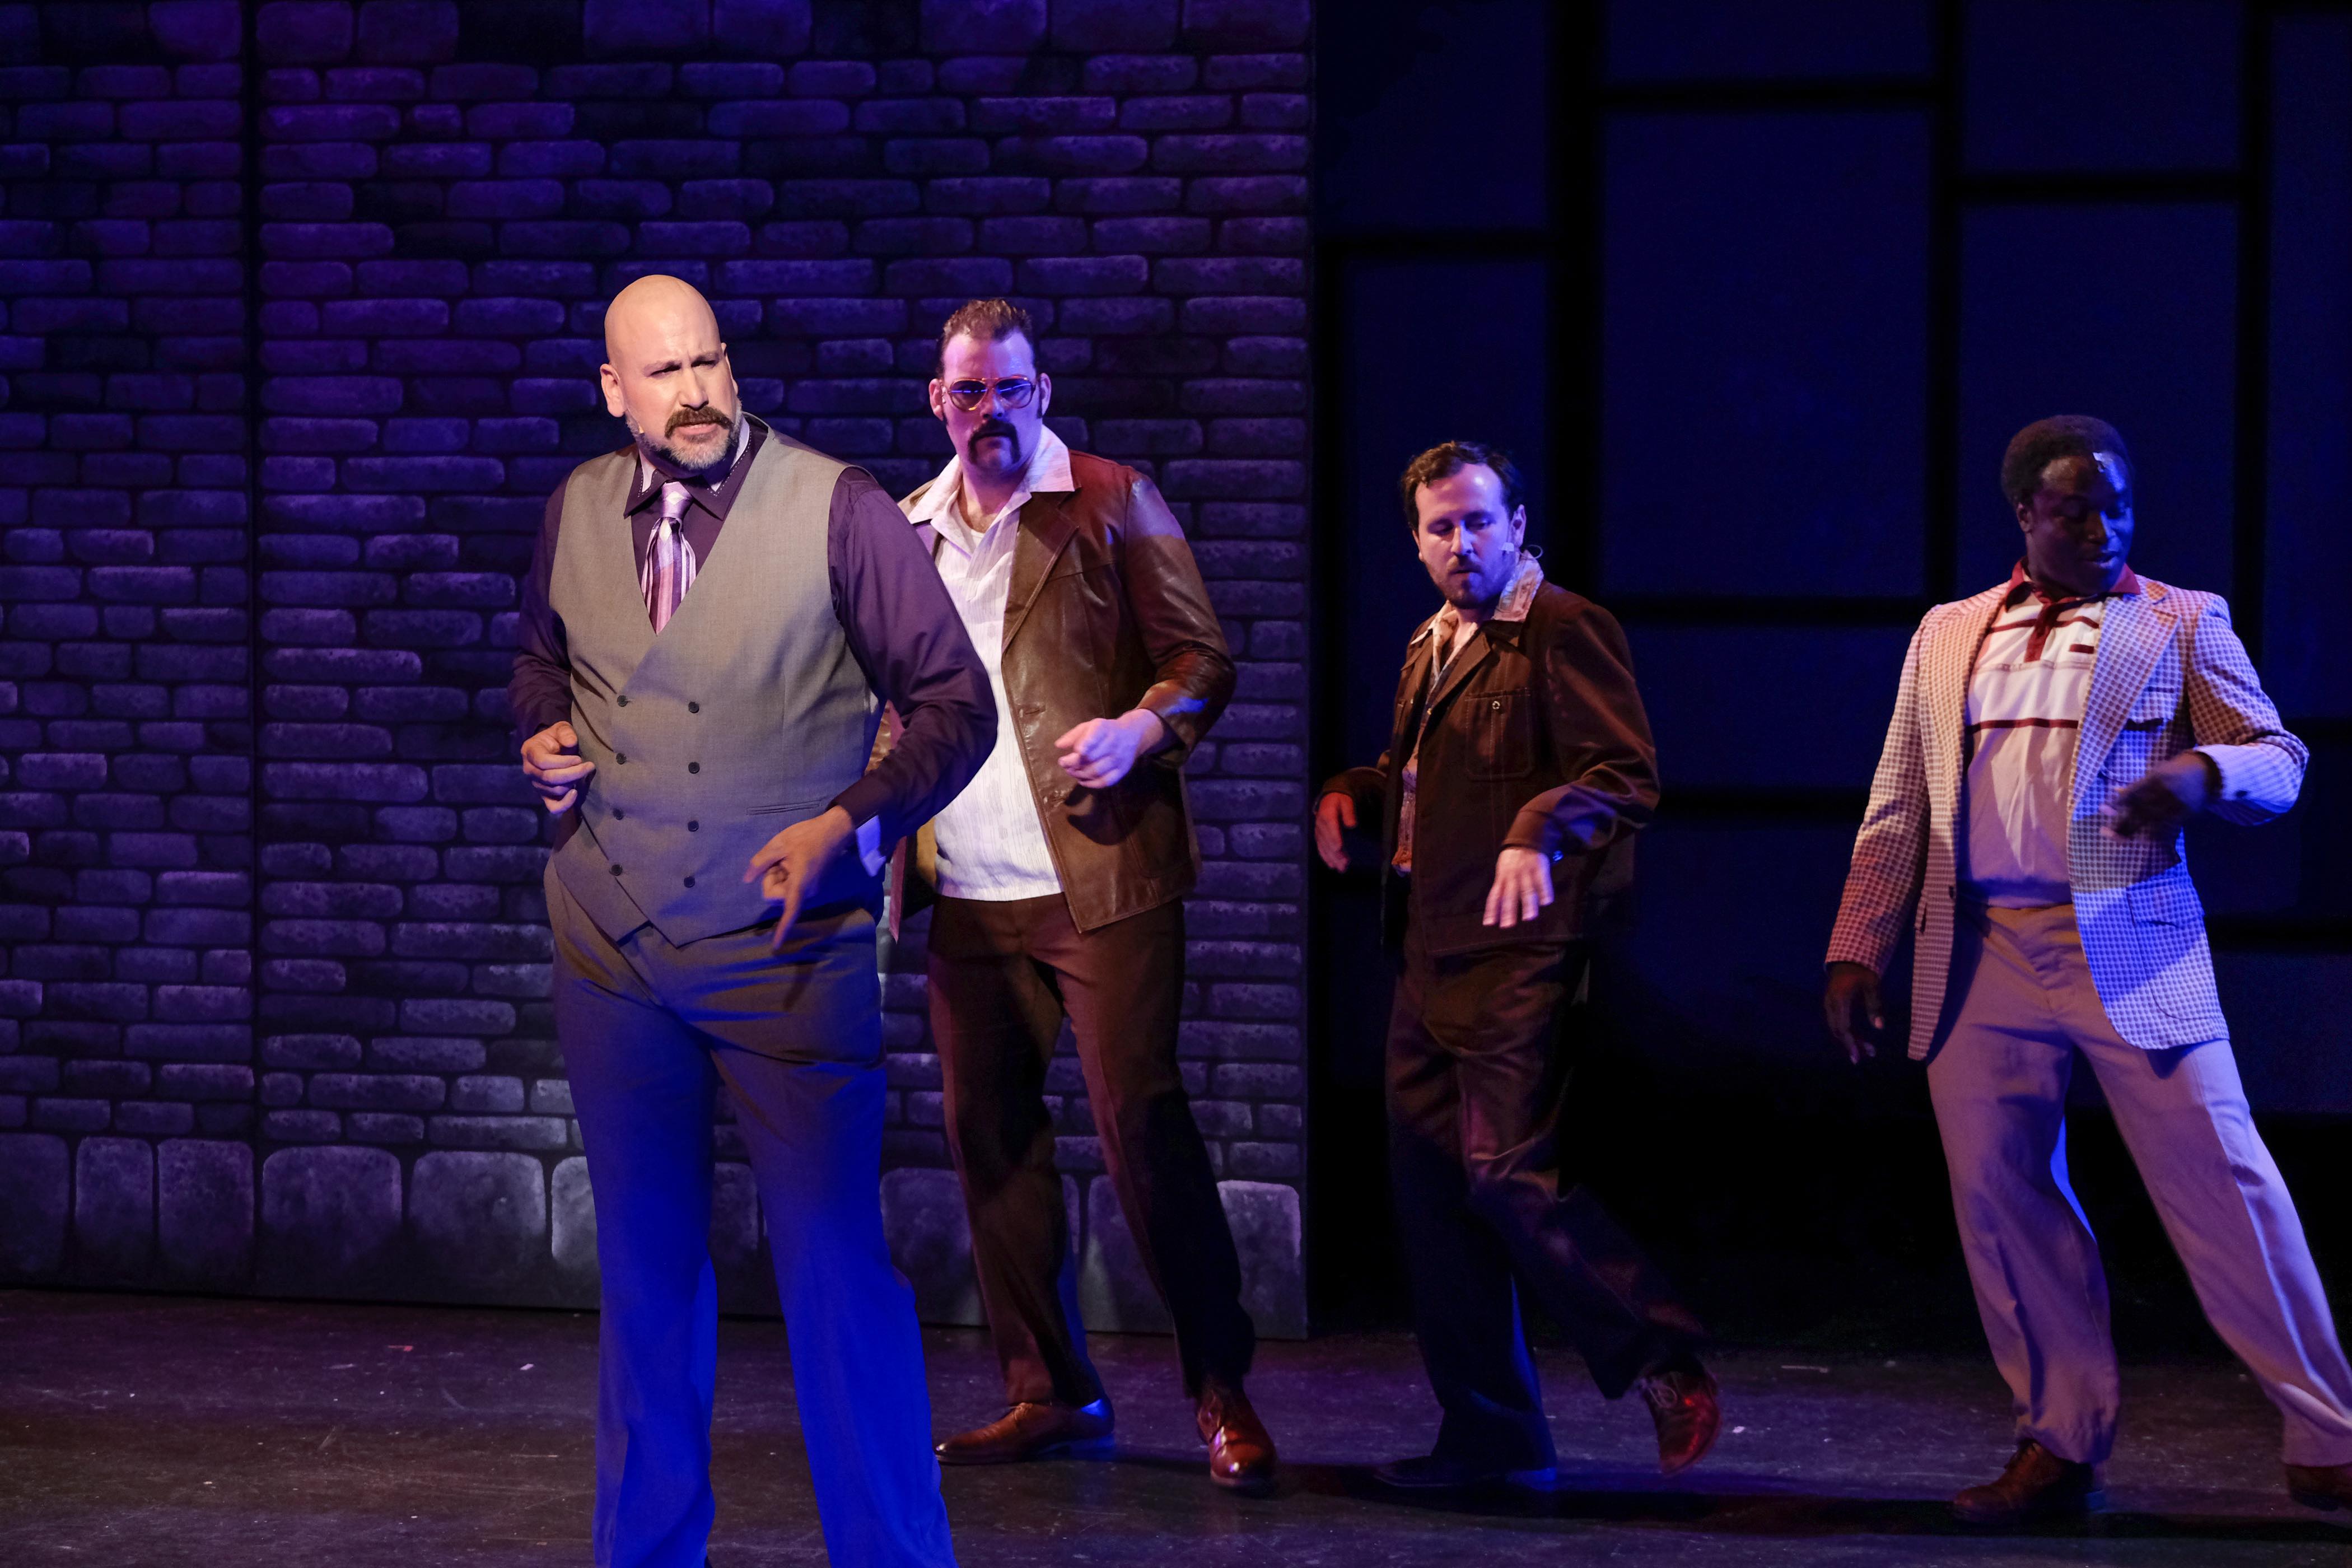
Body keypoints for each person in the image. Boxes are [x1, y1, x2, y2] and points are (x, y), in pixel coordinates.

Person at [509, 273, 994, 1568]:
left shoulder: (838, 509)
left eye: (710, 361)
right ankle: (645, 1550)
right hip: (610, 944)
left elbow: (957, 705)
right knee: (645, 1272)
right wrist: (539, 730)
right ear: (614, 391)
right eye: (665, 372)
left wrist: (853, 820)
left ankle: (895, 1554)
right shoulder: (573, 509)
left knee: (837, 1271)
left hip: (785, 951)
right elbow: (541, 655)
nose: (698, 392)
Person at [1824, 415, 2352, 1526]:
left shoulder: (2181, 619)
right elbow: (1899, 802)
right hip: (1980, 951)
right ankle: (2059, 1441)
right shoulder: (1948, 633)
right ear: (2026, 513)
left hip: (2131, 939)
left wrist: (2203, 775)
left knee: (2229, 1184)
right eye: (2076, 510)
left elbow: (2281, 759)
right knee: (2002, 1198)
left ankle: (2331, 1435)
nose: (2104, 529)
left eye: (2119, 507)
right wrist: (1856, 945)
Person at [889, 298, 1276, 1494]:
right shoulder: (909, 531)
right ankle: (1049, 1389)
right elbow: (888, 698)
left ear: (1041, 393)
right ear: (939, 402)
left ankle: (1221, 1388)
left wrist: (1140, 728)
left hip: (1100, 878)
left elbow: (1202, 658)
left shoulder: (1110, 498)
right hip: (968, 887)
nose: (990, 411)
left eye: (1009, 388)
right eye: (969, 391)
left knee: (1140, 1127)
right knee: (989, 1137)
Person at [1313, 440, 1719, 1492]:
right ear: (1416, 544)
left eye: (1480, 522)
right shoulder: (1431, 643)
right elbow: (1425, 776)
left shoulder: (1563, 629)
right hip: (1429, 945)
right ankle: (1493, 1437)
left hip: (1521, 948)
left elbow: (1622, 773)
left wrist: (1537, 830)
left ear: (1519, 525)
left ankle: (1663, 1357)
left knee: (1504, 1174)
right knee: (1431, 1197)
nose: (1463, 544)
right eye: (1441, 528)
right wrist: (1358, 791)